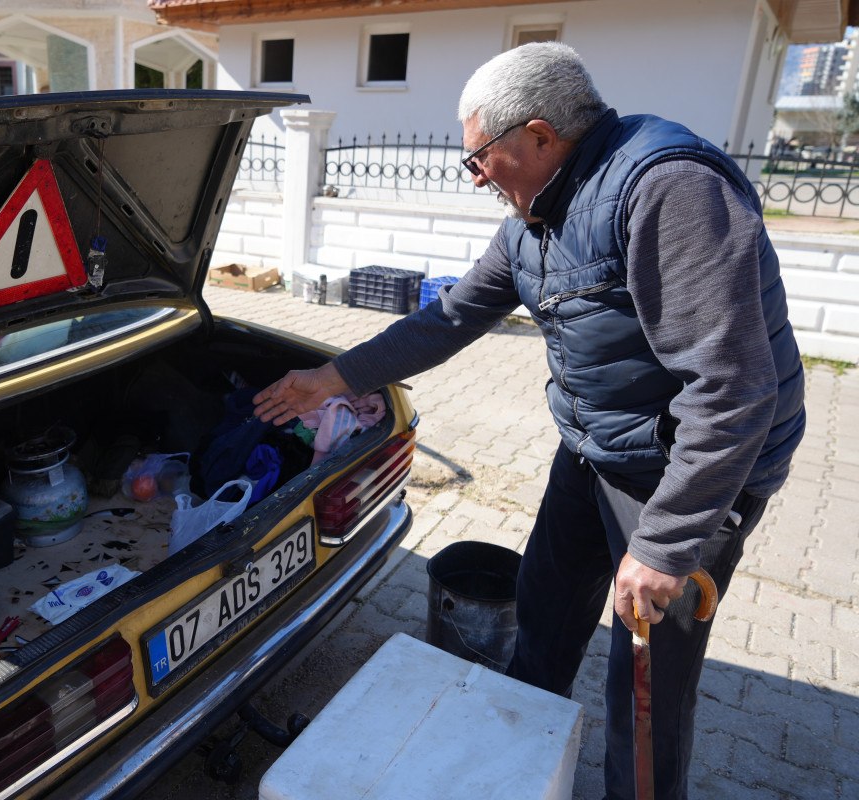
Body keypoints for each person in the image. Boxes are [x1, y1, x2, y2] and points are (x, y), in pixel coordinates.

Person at [254, 42, 805, 800]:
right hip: (591, 453)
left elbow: (736, 391)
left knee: (643, 694)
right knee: (542, 626)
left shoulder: (668, 190)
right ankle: (519, 773)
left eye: (479, 156)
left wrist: (667, 545)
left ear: (541, 136)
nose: (475, 175)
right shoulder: (533, 217)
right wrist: (331, 377)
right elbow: (446, 320)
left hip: (688, 475)